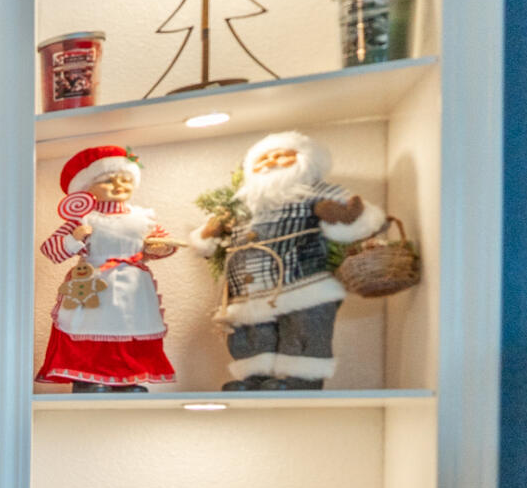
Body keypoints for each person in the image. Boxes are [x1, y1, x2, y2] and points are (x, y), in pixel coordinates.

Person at [195, 131, 382, 390]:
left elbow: (359, 219)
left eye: (282, 156)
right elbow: (205, 242)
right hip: (250, 290)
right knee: (254, 335)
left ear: (305, 161)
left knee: (302, 329)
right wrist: (209, 232)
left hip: (301, 283)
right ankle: (255, 378)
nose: (271, 161)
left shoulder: (314, 192)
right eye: (264, 159)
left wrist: (344, 214)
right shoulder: (243, 203)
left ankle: (299, 379)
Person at [35, 144, 178, 391]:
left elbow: (165, 243)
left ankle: (127, 379)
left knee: (130, 325)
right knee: (90, 326)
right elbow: (51, 250)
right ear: (85, 187)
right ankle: (89, 377)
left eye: (125, 179)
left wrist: (159, 248)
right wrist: (75, 238)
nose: (118, 185)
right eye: (108, 180)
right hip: (93, 282)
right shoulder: (83, 218)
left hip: (134, 287)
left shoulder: (143, 217)